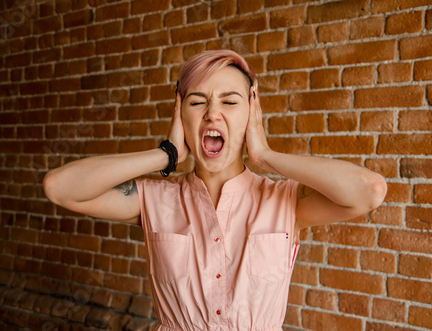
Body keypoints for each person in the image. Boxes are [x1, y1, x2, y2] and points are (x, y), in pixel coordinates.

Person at [43, 49, 387, 330]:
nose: (212, 114)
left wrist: (265, 156)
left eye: (230, 102)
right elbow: (60, 187)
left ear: (251, 113)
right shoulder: (153, 200)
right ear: (181, 114)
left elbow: (369, 190)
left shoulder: (287, 201)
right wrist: (165, 154)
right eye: (197, 102)